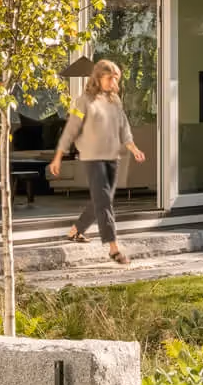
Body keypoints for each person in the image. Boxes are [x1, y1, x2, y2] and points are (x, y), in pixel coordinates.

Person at [50, 59, 146, 264]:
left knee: (101, 200)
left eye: (116, 78)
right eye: (110, 77)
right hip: (92, 158)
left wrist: (133, 148)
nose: (114, 82)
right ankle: (113, 248)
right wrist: (58, 156)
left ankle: (76, 230)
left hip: (112, 157)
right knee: (104, 201)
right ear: (98, 77)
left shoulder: (115, 101)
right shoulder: (83, 101)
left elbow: (124, 127)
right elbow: (71, 130)